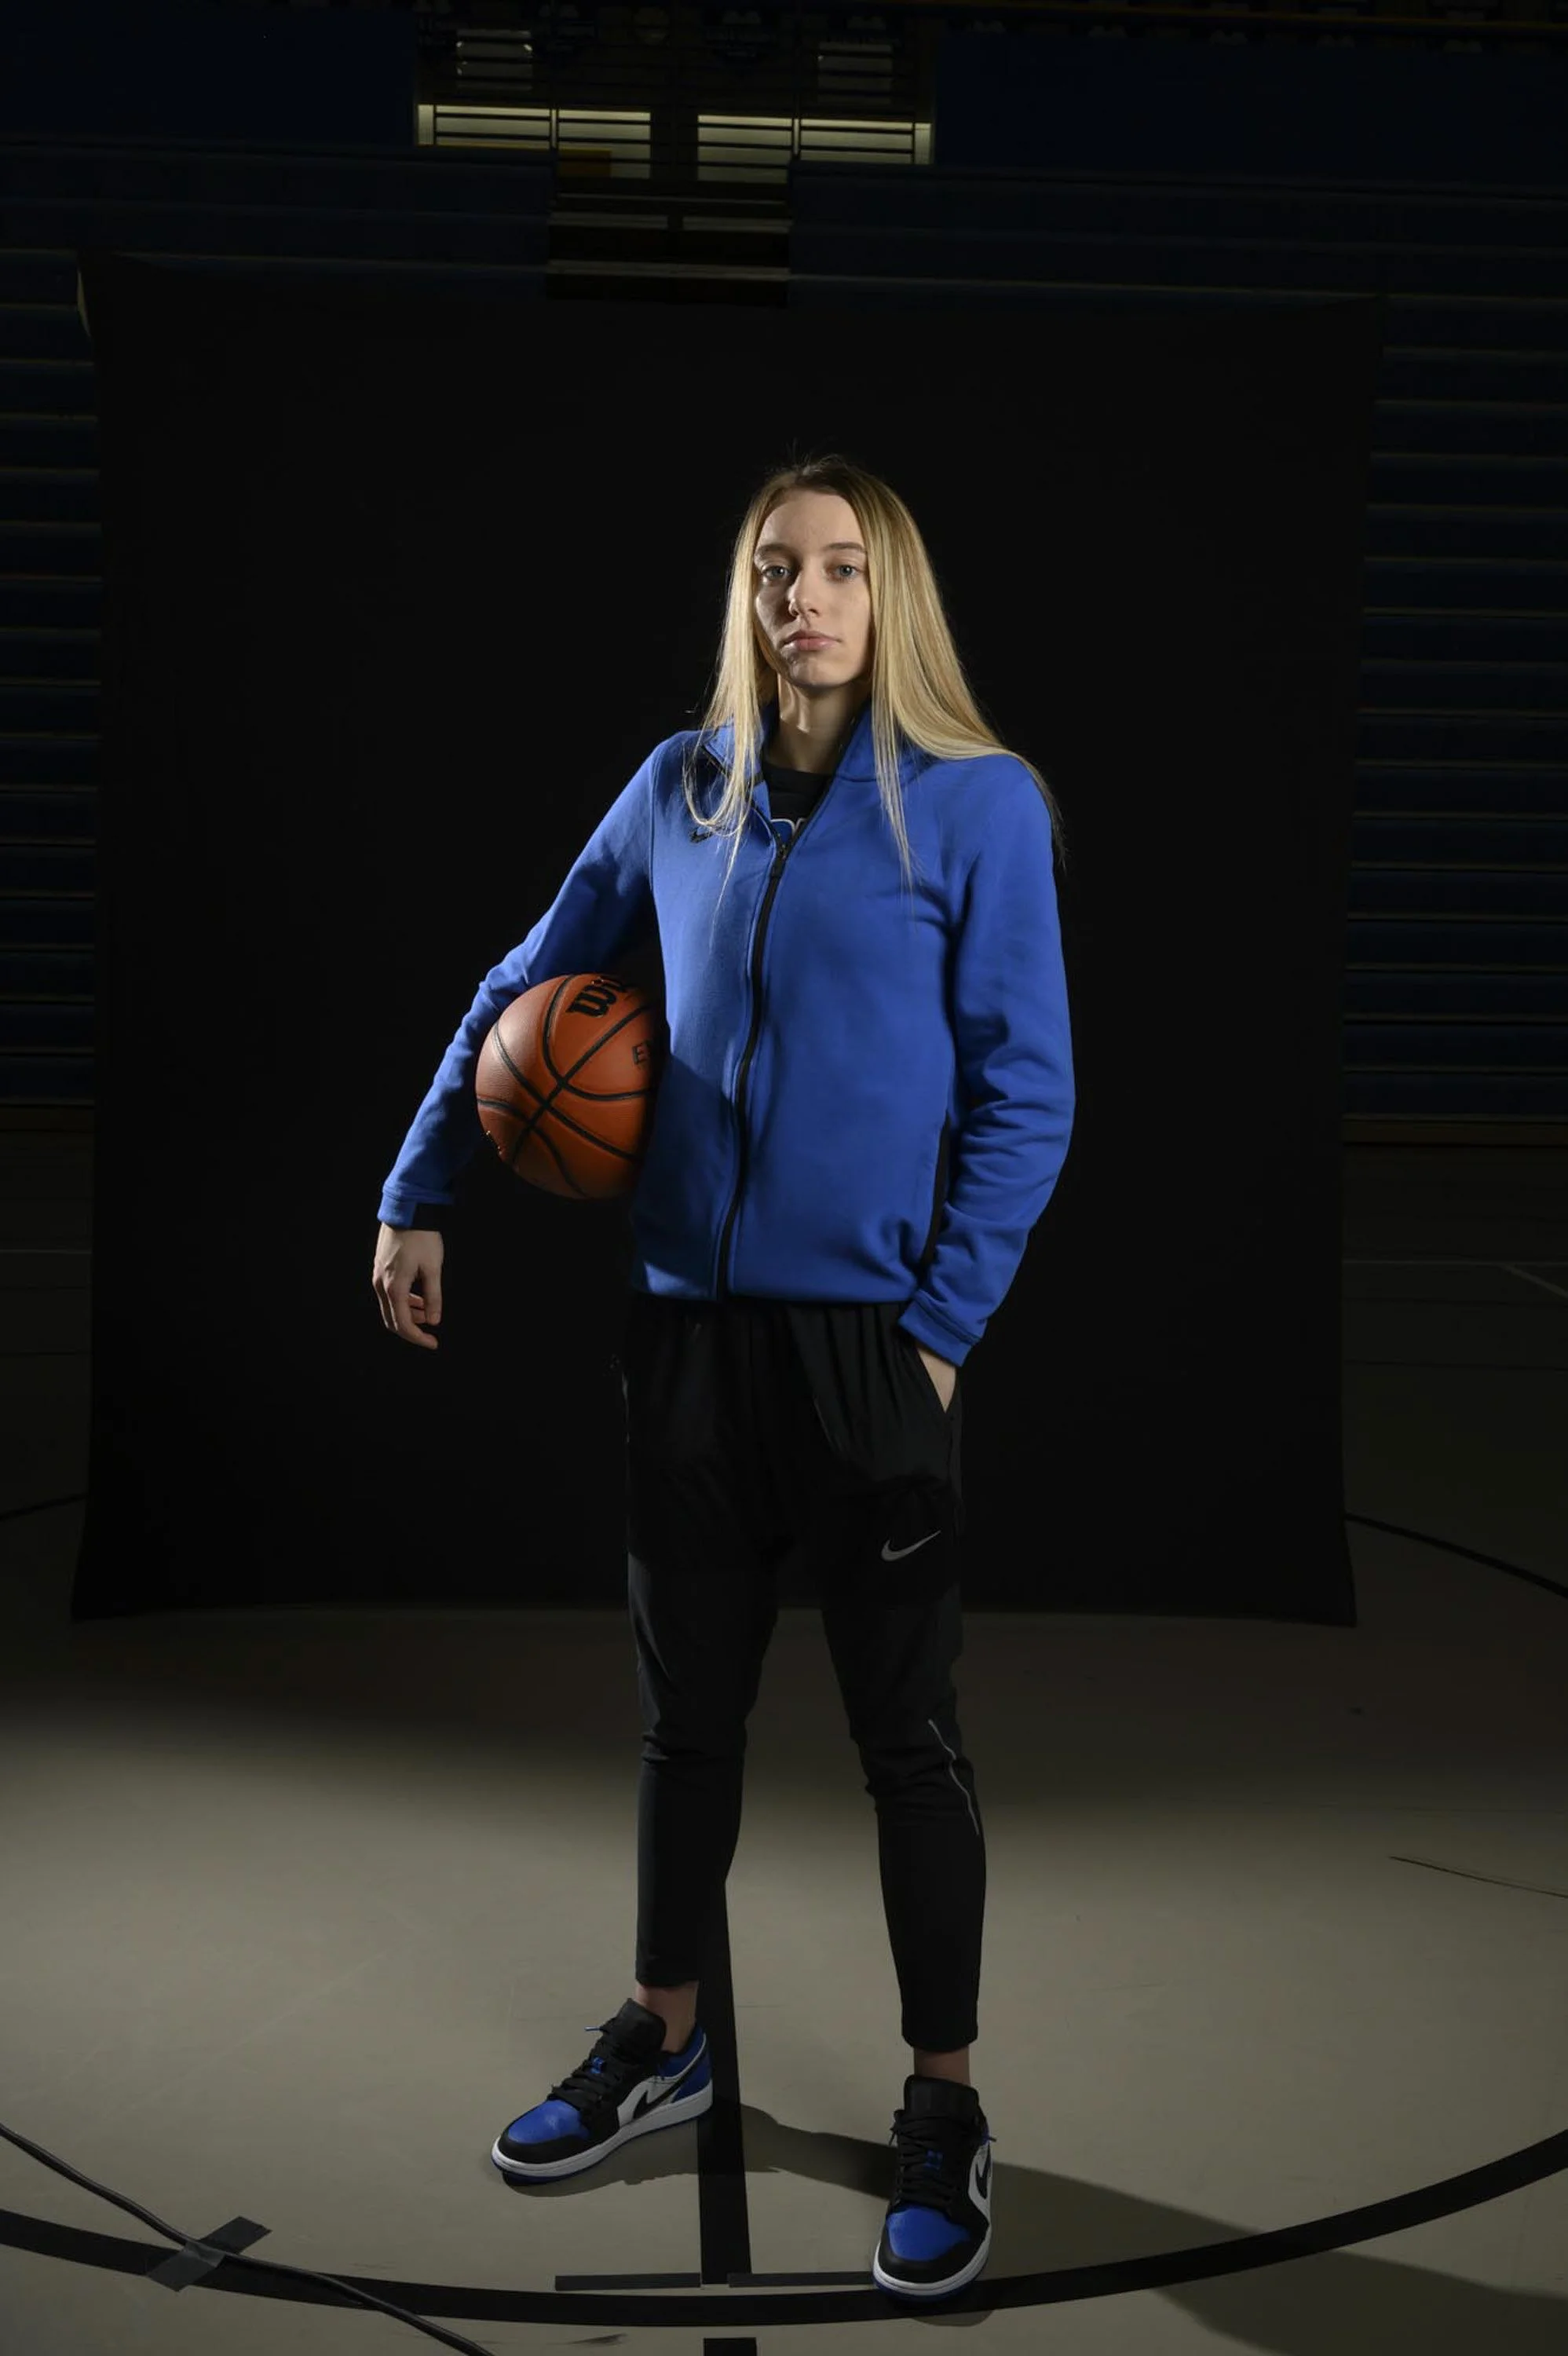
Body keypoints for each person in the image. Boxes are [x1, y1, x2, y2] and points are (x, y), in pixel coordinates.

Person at [371, 454, 1073, 2302]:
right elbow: (522, 984)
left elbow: (1029, 1092)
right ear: (745, 599)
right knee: (686, 1728)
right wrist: (420, 1182)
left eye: (841, 569)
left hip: (867, 1356)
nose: (804, 600)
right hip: (682, 1340)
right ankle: (661, 2035)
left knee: (904, 1744)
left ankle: (942, 2103)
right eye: (776, 569)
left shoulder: (977, 812)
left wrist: (933, 1338)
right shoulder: (677, 794)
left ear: (889, 596)